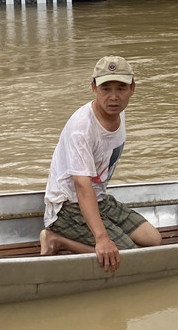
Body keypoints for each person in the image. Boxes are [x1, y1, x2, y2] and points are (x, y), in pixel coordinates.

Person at [40, 56, 162, 272]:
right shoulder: (82, 128)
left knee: (153, 240)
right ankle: (56, 240)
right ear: (94, 88)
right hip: (67, 206)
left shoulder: (119, 113)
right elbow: (81, 184)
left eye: (121, 88)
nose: (114, 97)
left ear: (132, 88)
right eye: (106, 88)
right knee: (128, 255)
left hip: (99, 198)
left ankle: (84, 238)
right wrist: (102, 238)